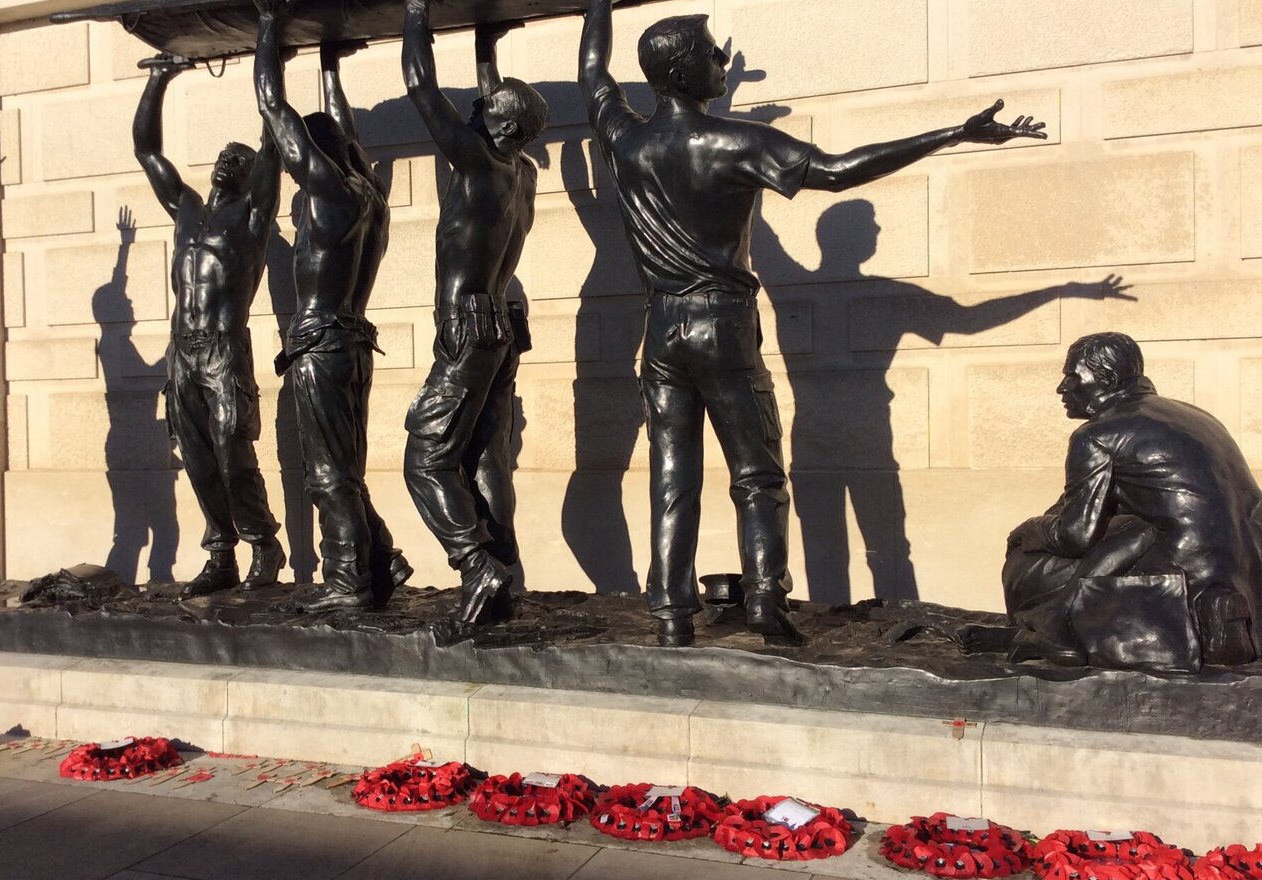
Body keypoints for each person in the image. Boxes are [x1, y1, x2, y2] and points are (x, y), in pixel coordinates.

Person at [578, 0, 1046, 646]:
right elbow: (837, 169)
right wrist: (952, 134)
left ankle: (671, 616)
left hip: (662, 332)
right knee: (758, 476)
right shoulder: (738, 142)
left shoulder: (625, 140)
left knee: (672, 478)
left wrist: (597, 5)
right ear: (683, 73)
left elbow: (592, 72)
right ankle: (765, 601)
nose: (722, 59)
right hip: (721, 326)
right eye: (711, 52)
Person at [252, 1, 412, 611]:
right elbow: (345, 134)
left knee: (328, 473)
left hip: (320, 343)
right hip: (355, 343)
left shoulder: (323, 190)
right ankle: (382, 557)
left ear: (311, 158)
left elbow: (273, 107)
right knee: (347, 465)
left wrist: (269, 26)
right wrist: (328, 65)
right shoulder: (371, 196)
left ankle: (348, 582)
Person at [401, 0, 548, 625]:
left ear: (502, 126)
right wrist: (486, 43)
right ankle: (504, 579)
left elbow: (420, 86)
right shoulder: (523, 172)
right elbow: (494, 103)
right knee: (487, 458)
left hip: (467, 325)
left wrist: (416, 12)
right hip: (500, 326)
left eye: (484, 111)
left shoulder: (476, 161)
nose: (473, 111)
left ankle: (476, 565)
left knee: (426, 459)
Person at [992, 332, 1262, 668]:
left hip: (1179, 582)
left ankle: (1054, 622)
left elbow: (1075, 535)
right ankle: (1054, 618)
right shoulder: (1198, 417)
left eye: (1073, 376)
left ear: (1106, 380)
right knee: (1130, 528)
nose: (1062, 388)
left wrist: (1027, 530)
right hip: (1243, 579)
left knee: (1027, 564)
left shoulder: (1097, 435)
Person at [134, 53, 286, 597]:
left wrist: (270, 57)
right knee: (198, 458)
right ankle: (221, 553)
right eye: (224, 155)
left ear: (250, 177)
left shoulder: (252, 218)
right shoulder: (186, 209)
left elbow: (273, 138)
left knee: (232, 452)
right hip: (182, 353)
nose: (228, 161)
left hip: (224, 351)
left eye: (239, 160)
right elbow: (147, 151)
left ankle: (263, 543)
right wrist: (159, 80)